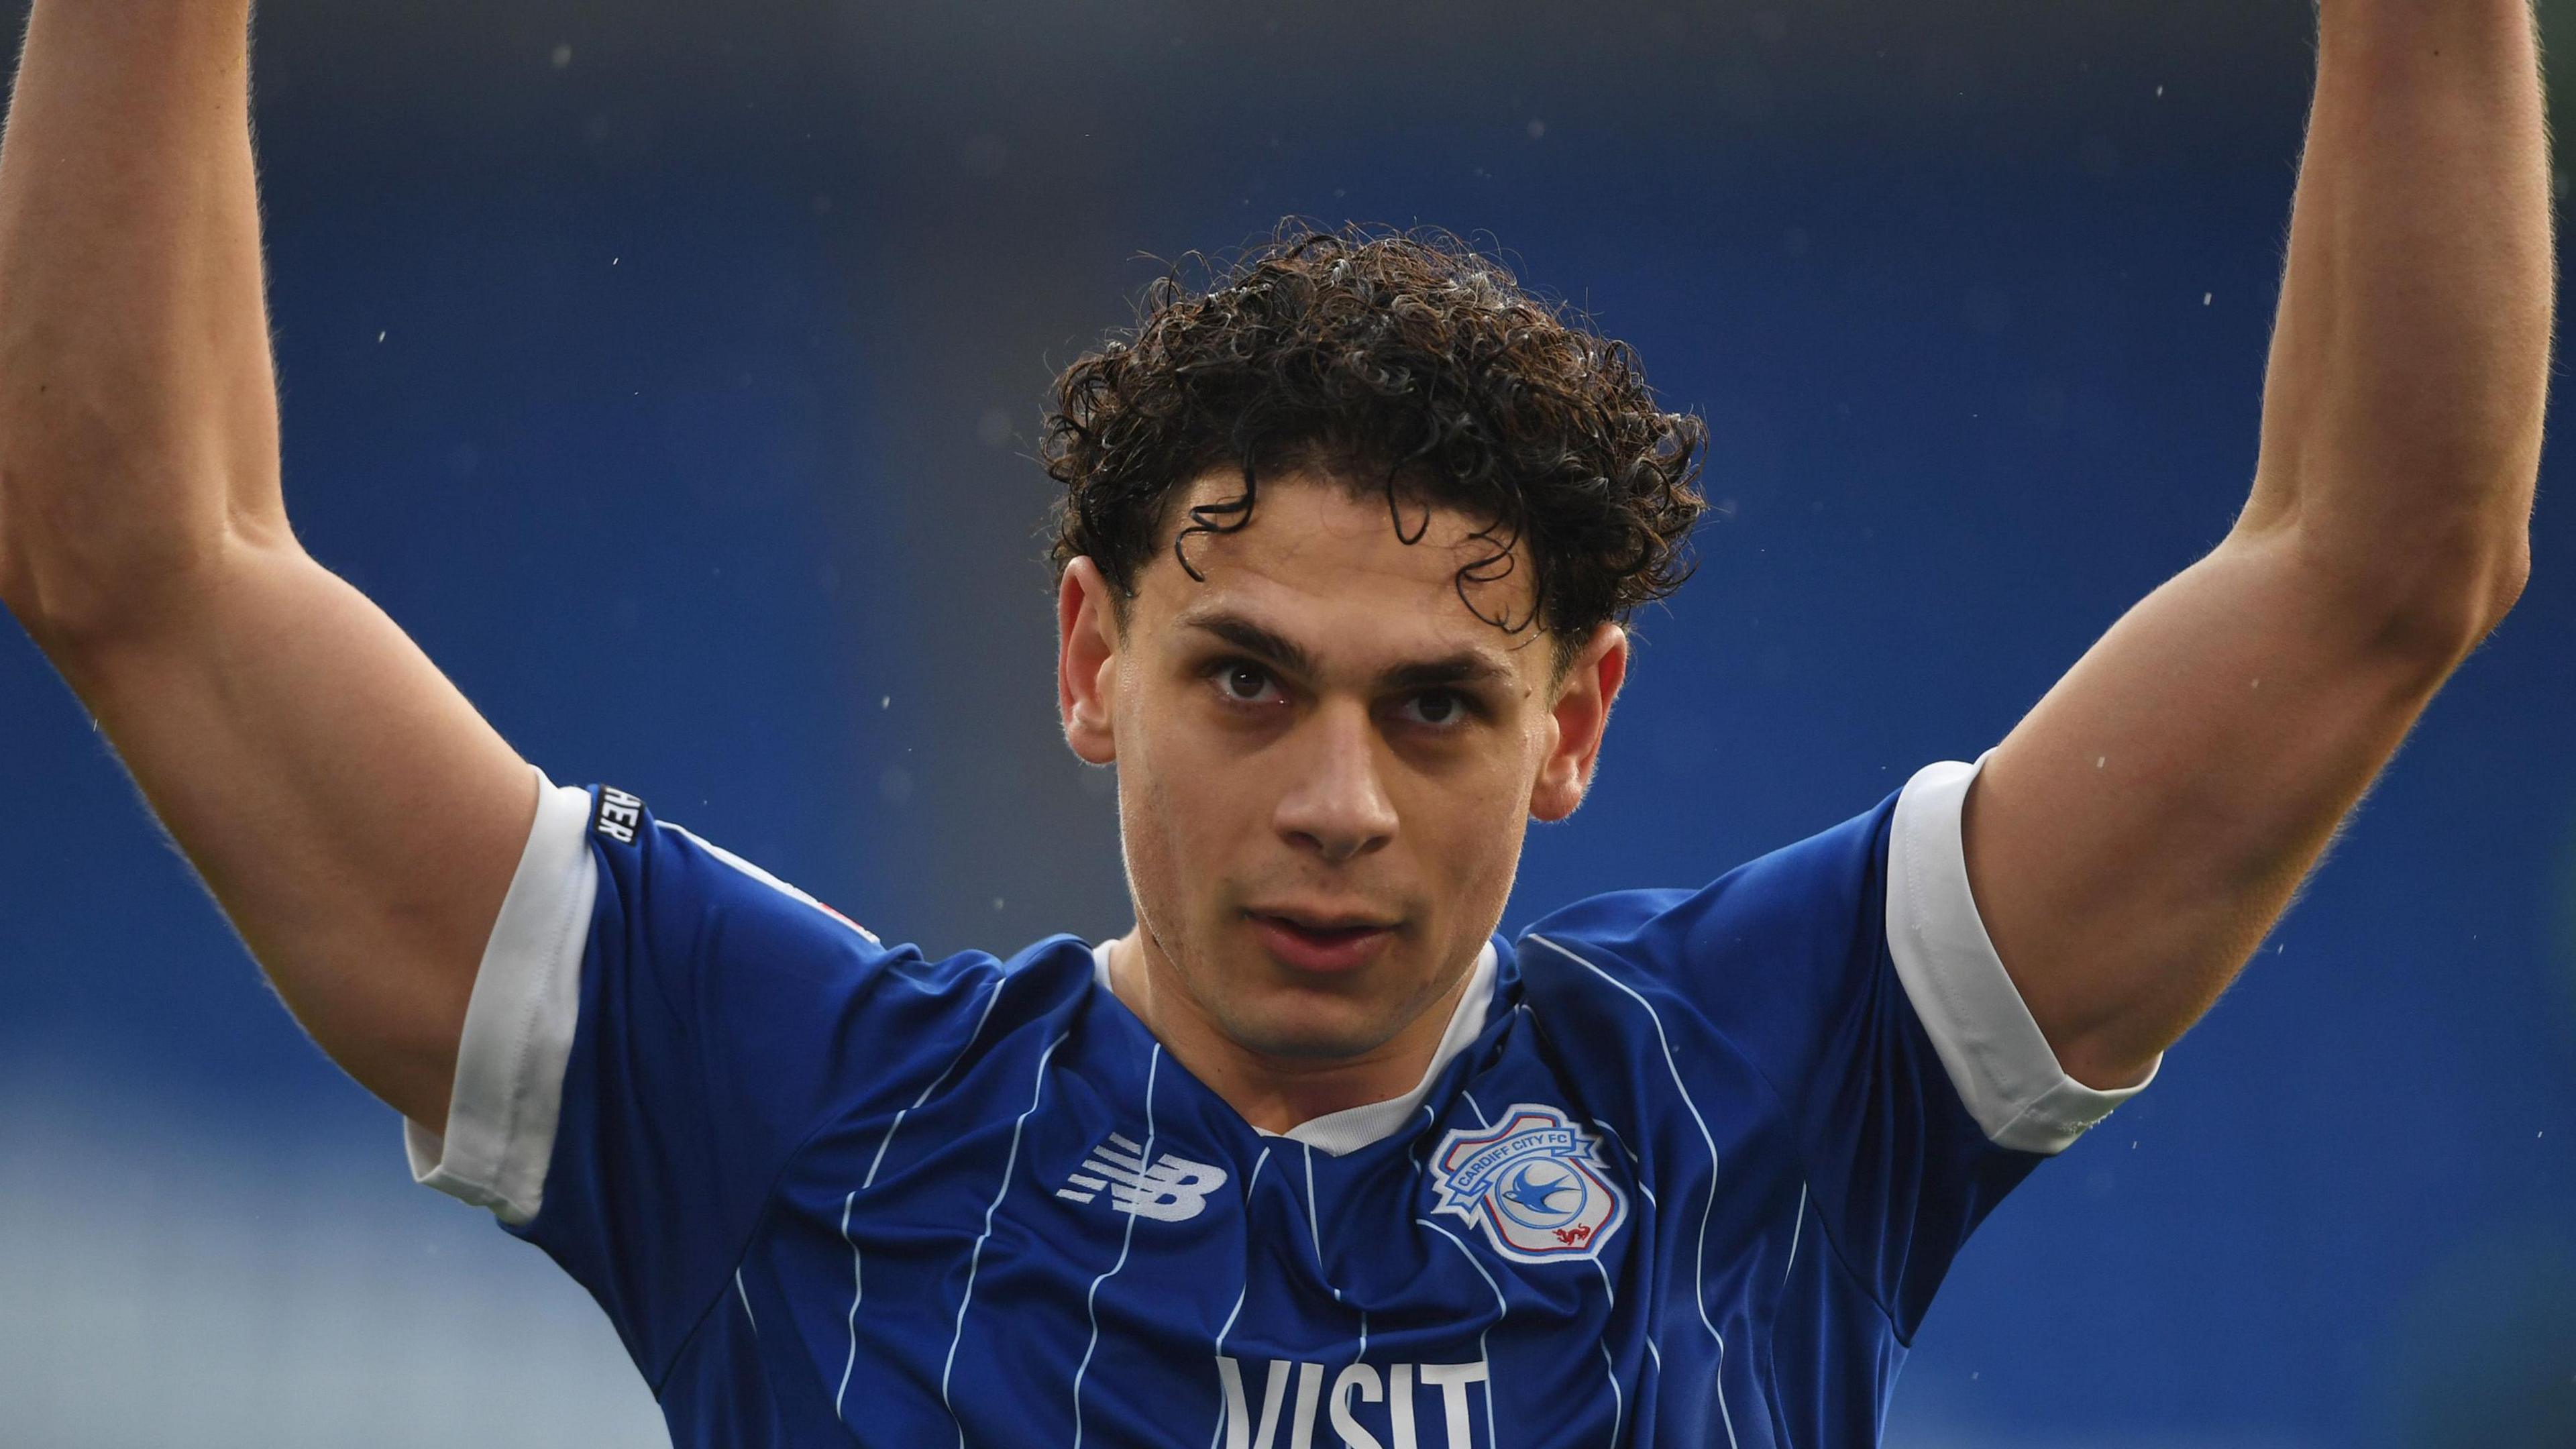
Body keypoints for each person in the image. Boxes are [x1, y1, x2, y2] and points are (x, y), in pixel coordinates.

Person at [0, 1, 2548, 1445]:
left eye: (1440, 706)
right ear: (1096, 662)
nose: (1338, 802)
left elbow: (2376, 571)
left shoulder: (1775, 1087)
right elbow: (145, 563)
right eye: (1248, 679)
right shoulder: (785, 1109)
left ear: (1577, 727)